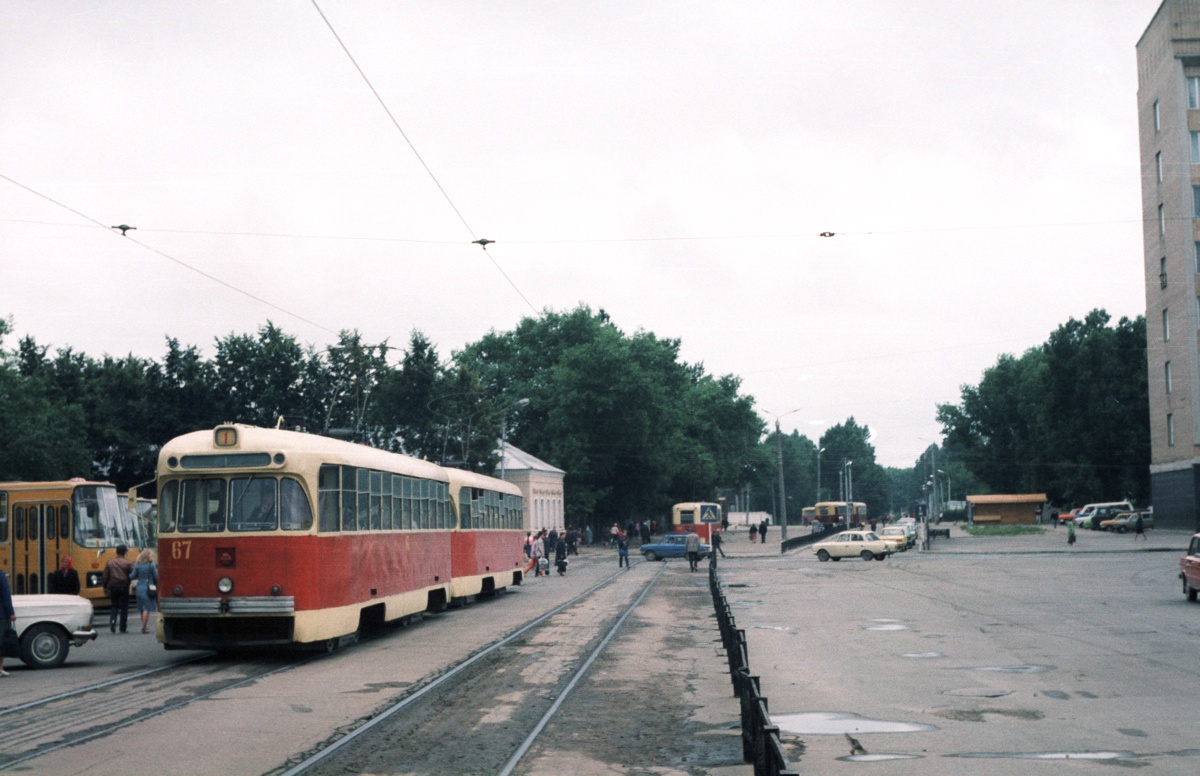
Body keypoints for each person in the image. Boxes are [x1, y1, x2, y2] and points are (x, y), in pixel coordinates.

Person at [103, 544, 134, 633]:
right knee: (124, 607)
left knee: (114, 605)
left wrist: (105, 586)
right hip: (124, 586)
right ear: (125, 552)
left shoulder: (110, 562)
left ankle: (113, 620)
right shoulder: (128, 563)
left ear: (116, 552)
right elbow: (133, 574)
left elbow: (105, 576)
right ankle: (122, 627)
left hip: (113, 586)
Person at [129, 549, 158, 634]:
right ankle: (143, 627)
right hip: (148, 587)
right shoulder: (151, 565)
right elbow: (156, 576)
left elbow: (132, 576)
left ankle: (145, 626)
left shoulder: (137, 565)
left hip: (139, 587)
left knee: (141, 608)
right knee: (147, 608)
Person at [0, 569, 14, 677]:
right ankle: (0, 668)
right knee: (1, 642)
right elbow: (6, 595)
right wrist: (11, 613)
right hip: (1, 615)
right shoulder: (1, 575)